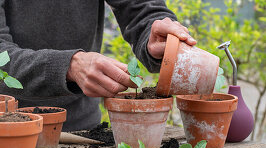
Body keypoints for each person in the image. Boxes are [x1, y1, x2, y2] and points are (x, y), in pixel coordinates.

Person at [0, 1, 196, 131]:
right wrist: (67, 67)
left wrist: (155, 33)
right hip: (7, 128)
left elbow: (140, 7)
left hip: (83, 129)